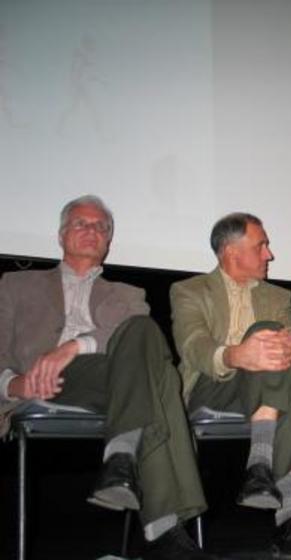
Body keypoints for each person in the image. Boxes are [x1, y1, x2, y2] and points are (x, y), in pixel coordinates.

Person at [0, 195, 214, 560]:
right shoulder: (15, 284)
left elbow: (131, 339)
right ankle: (163, 528)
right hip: (42, 382)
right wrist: (11, 383)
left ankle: (121, 460)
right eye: (82, 224)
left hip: (109, 377)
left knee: (144, 333)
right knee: (162, 381)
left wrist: (74, 346)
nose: (92, 231)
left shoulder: (129, 294)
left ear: (109, 242)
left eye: (101, 227)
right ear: (61, 234)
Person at [169, 212, 291, 559]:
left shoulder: (277, 294)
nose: (270, 254)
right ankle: (289, 511)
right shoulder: (189, 290)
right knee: (270, 344)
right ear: (231, 251)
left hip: (269, 386)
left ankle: (266, 477)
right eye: (262, 245)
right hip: (214, 386)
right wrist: (239, 355)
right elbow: (193, 345)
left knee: (289, 361)